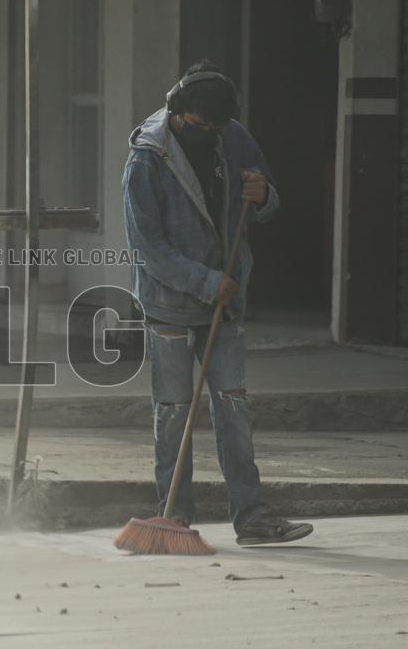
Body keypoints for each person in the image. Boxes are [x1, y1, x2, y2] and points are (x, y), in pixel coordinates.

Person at [122, 59, 313, 545]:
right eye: (199, 125)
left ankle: (251, 516)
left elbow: (266, 199)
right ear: (177, 109)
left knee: (233, 409)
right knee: (174, 412)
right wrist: (206, 282)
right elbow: (148, 247)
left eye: (215, 127)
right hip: (170, 306)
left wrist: (263, 193)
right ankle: (174, 516)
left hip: (224, 305)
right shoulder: (147, 159)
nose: (207, 133)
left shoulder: (233, 136)